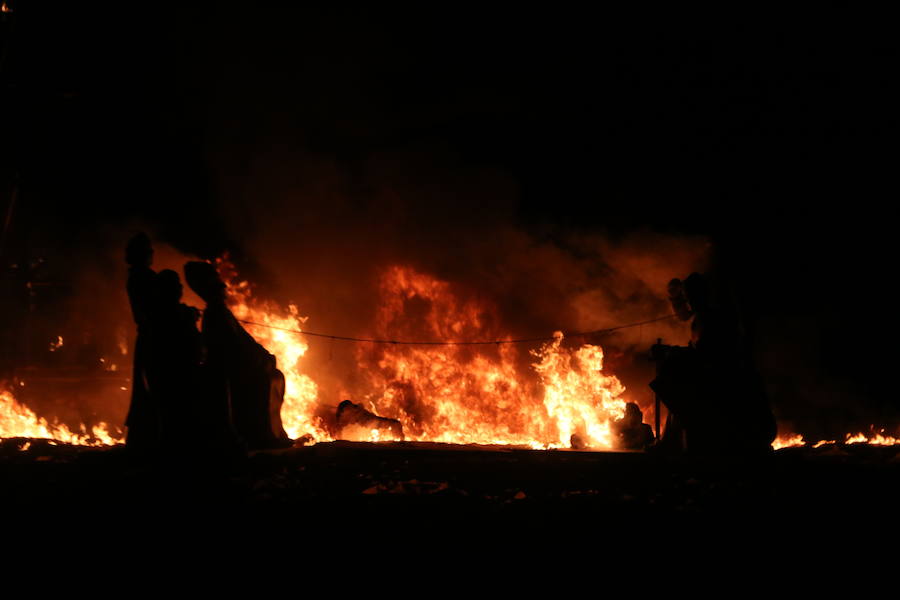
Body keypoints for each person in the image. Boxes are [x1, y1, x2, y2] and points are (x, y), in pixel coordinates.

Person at [651, 272, 775, 454]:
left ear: (702, 296)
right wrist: (674, 297)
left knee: (675, 378)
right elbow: (684, 317)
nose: (688, 302)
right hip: (712, 373)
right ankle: (670, 439)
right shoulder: (704, 315)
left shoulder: (714, 318)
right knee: (673, 380)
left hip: (721, 377)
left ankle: (672, 441)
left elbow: (706, 355)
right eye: (686, 298)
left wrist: (671, 352)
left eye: (690, 297)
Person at [183, 261, 290, 450]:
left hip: (239, 366)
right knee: (265, 380)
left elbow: (245, 340)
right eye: (218, 284)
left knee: (274, 376)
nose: (224, 287)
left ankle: (271, 432)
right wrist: (259, 359)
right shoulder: (214, 315)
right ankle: (261, 434)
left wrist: (264, 355)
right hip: (230, 372)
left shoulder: (222, 312)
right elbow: (234, 348)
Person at [146, 269, 204, 446]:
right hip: (175, 371)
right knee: (175, 413)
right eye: (175, 285)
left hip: (183, 369)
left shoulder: (174, 311)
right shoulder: (164, 314)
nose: (180, 289)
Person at [124, 233, 158, 452]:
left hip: (149, 337)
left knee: (147, 392)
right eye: (149, 250)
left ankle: (145, 437)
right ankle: (150, 439)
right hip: (154, 339)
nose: (152, 254)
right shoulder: (143, 277)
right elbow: (159, 308)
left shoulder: (137, 276)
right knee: (155, 390)